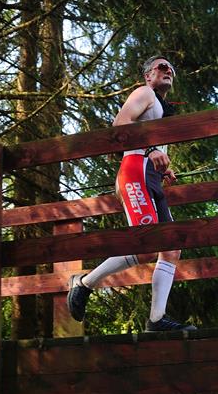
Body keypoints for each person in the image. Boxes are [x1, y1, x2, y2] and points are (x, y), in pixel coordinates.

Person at [67, 55, 196, 332]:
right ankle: (84, 283)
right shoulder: (144, 93)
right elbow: (121, 123)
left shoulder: (160, 108)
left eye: (171, 68)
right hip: (135, 171)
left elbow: (152, 147)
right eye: (162, 67)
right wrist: (151, 151)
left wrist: (163, 167)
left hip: (150, 175)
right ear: (148, 75)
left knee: (171, 248)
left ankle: (157, 319)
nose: (168, 70)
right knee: (146, 246)